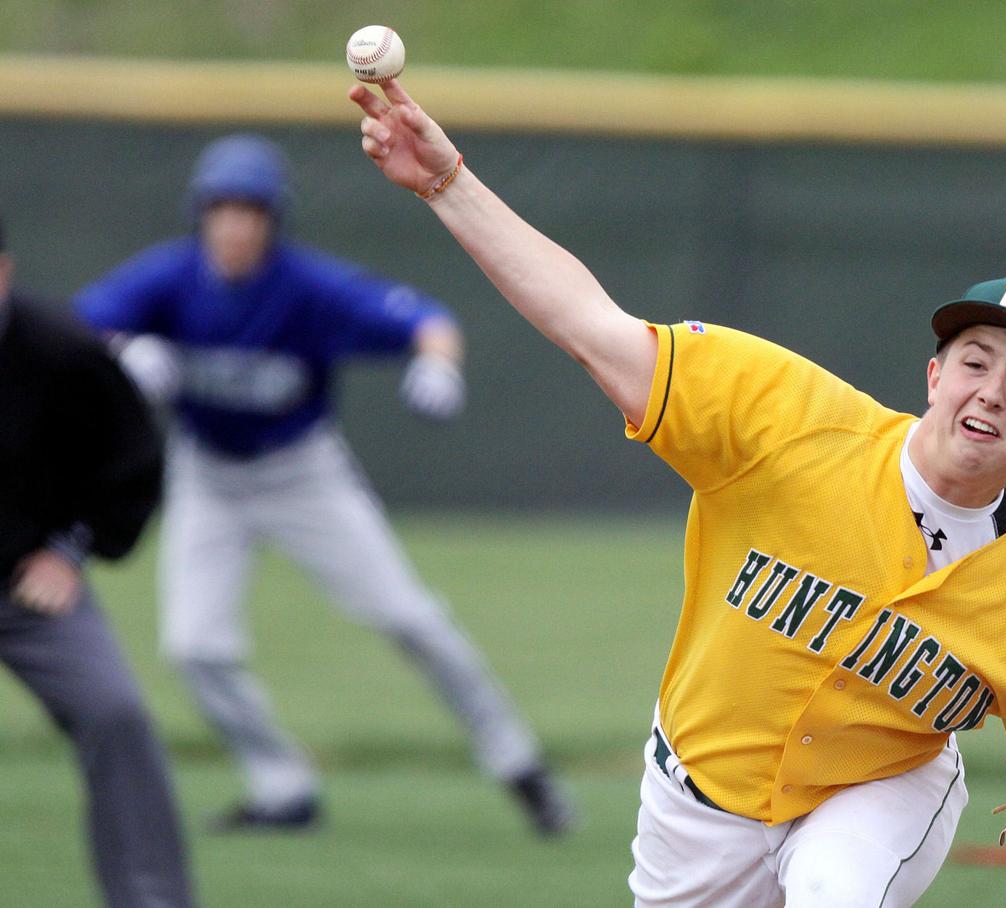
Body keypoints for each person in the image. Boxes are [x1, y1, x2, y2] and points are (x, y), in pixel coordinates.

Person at [347, 79, 1006, 906]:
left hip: (877, 795)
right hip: (695, 798)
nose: (991, 393)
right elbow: (588, 324)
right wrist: (447, 184)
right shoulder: (786, 419)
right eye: (976, 362)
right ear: (935, 374)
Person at [74, 134, 575, 836]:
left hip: (303, 474)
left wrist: (438, 366)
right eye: (222, 210)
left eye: (251, 211)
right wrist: (124, 349)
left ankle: (519, 763)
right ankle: (282, 787)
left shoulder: (305, 286)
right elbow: (75, 330)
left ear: (273, 220)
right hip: (210, 475)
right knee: (195, 647)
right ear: (201, 215)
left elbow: (429, 322)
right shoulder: (170, 279)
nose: (236, 225)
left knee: (409, 618)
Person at [0, 215, 195, 907]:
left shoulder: (64, 353)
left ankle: (151, 898)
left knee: (116, 713)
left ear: (5, 273)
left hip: (24, 586)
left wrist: (70, 550)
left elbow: (132, 465)